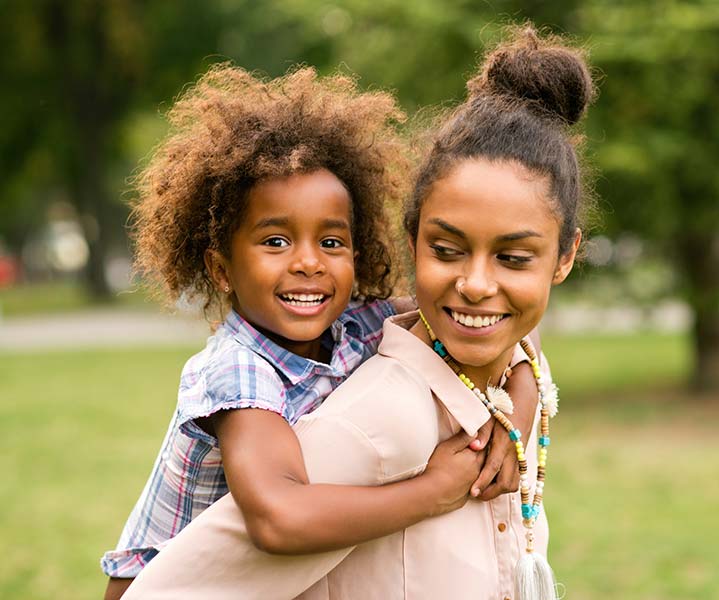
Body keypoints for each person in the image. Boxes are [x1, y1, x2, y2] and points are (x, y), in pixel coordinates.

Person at [121, 24, 594, 600]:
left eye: (331, 242)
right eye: (274, 242)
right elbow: (277, 518)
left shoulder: (352, 323)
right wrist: (431, 490)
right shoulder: (238, 371)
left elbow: (493, 319)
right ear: (221, 270)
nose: (308, 265)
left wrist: (517, 406)